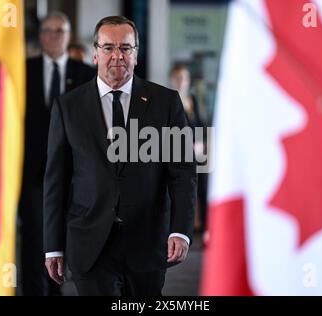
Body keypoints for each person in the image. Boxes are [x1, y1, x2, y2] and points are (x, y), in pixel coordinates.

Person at [44, 16, 196, 296]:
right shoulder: (68, 107)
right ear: (95, 53)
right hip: (89, 245)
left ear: (136, 54)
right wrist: (53, 244)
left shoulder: (166, 103)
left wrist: (180, 230)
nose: (117, 56)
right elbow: (56, 181)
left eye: (125, 48)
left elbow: (182, 173)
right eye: (108, 47)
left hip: (147, 243)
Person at [19, 11, 96, 296]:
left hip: (75, 176)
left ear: (68, 35)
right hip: (32, 174)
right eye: (48, 31)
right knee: (34, 244)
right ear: (40, 37)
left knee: (66, 246)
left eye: (60, 31)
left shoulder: (86, 74)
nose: (54, 36)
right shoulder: (23, 70)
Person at [170, 64, 208, 233]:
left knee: (203, 187)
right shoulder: (170, 101)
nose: (181, 81)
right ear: (172, 79)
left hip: (198, 151)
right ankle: (185, 227)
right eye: (178, 78)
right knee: (185, 190)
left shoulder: (192, 99)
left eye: (184, 78)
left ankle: (205, 226)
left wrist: (202, 143)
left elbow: (200, 124)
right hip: (180, 153)